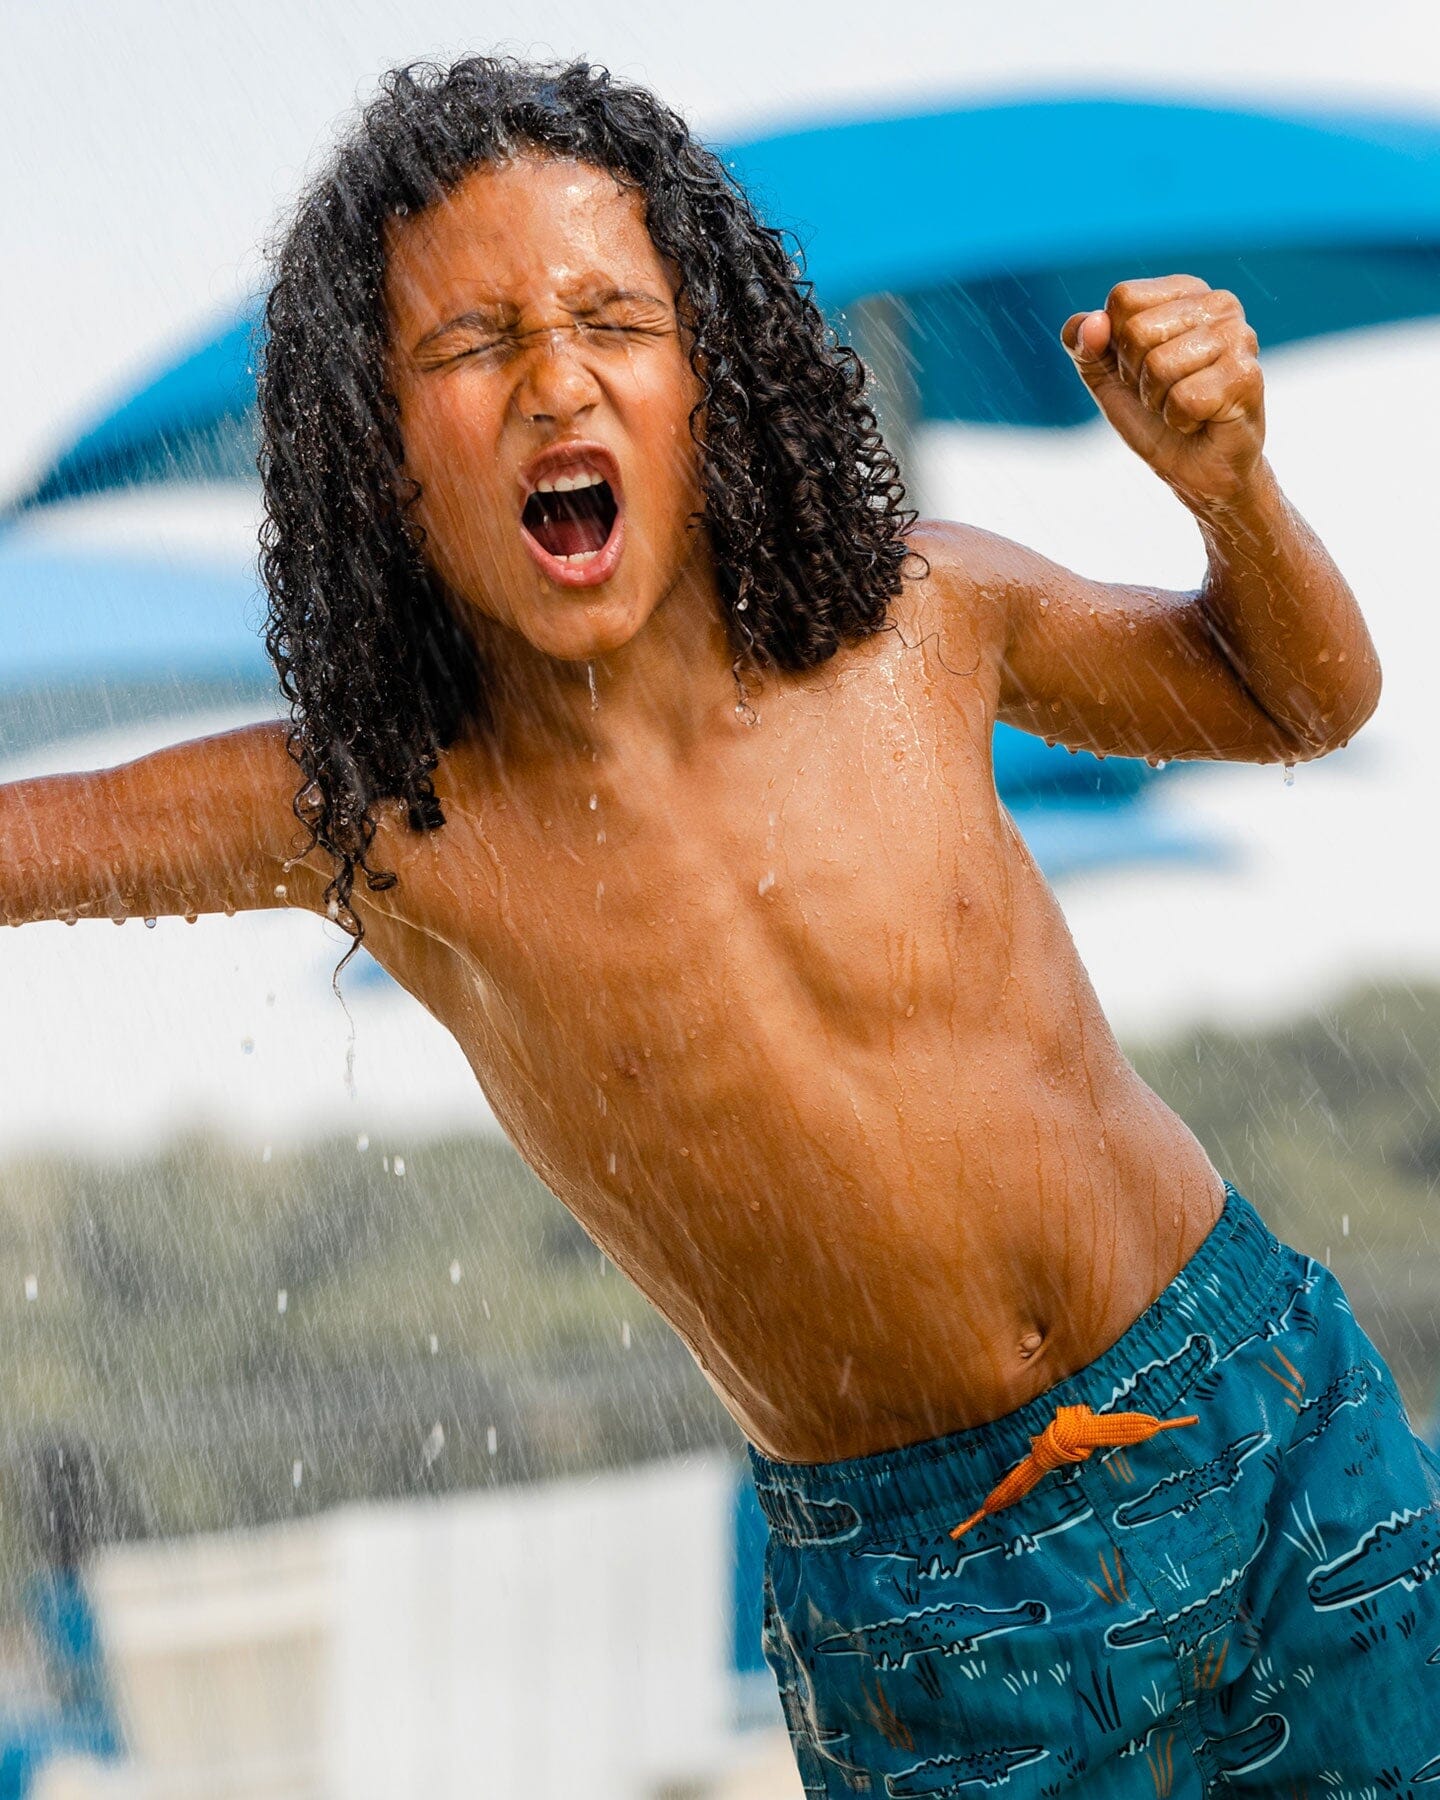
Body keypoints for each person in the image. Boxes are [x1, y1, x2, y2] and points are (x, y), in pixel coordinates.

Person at [4, 55, 1435, 1791]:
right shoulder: (386, 812)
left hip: (1260, 1412)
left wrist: (1227, 487)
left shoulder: (916, 614)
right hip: (922, 1593)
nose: (553, 377)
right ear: (378, 464)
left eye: (613, 316)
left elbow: (1297, 697)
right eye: (469, 347)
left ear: (712, 379)